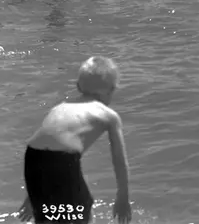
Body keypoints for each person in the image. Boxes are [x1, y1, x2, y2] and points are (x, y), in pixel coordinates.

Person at [17, 56, 132, 224]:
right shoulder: (109, 116)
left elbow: (46, 148)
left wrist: (32, 196)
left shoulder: (59, 107)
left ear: (78, 86)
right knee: (81, 211)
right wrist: (123, 197)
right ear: (112, 89)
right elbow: (119, 160)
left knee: (48, 217)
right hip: (63, 159)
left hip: (32, 157)